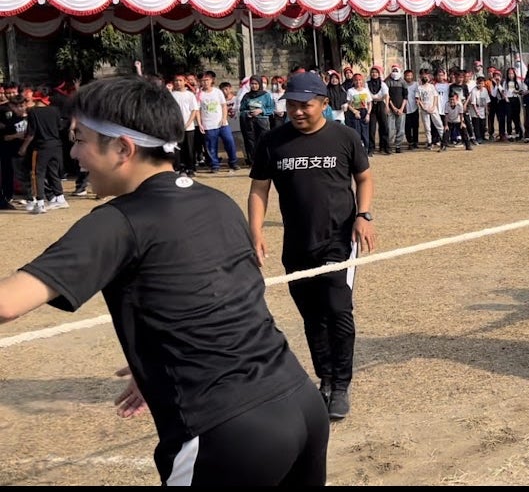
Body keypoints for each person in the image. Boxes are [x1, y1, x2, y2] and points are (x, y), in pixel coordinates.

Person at [0, 76, 328, 485]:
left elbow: (7, 303)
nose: (74, 153)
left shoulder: (118, 221)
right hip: (299, 401)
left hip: (228, 431)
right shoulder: (216, 201)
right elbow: (230, 297)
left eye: (81, 139)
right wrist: (160, 360)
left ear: (124, 148)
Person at [248, 71, 376, 420]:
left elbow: (364, 177)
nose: (297, 111)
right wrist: (255, 231)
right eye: (291, 104)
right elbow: (259, 189)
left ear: (323, 103)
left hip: (338, 241)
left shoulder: (345, 137)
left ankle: (342, 384)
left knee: (338, 311)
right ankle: (326, 379)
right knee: (312, 316)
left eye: (305, 105)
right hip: (297, 244)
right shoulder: (272, 142)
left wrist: (364, 215)